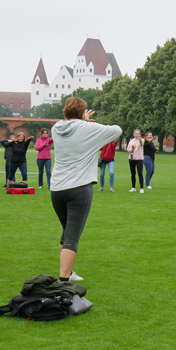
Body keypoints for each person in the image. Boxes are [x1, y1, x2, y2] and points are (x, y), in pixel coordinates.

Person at [51, 97, 122, 282]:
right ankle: (63, 281)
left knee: (67, 232)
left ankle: (68, 272)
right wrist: (87, 122)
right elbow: (117, 130)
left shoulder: (56, 128)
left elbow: (73, 128)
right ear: (82, 112)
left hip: (57, 189)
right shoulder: (88, 128)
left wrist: (81, 120)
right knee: (72, 235)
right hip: (79, 188)